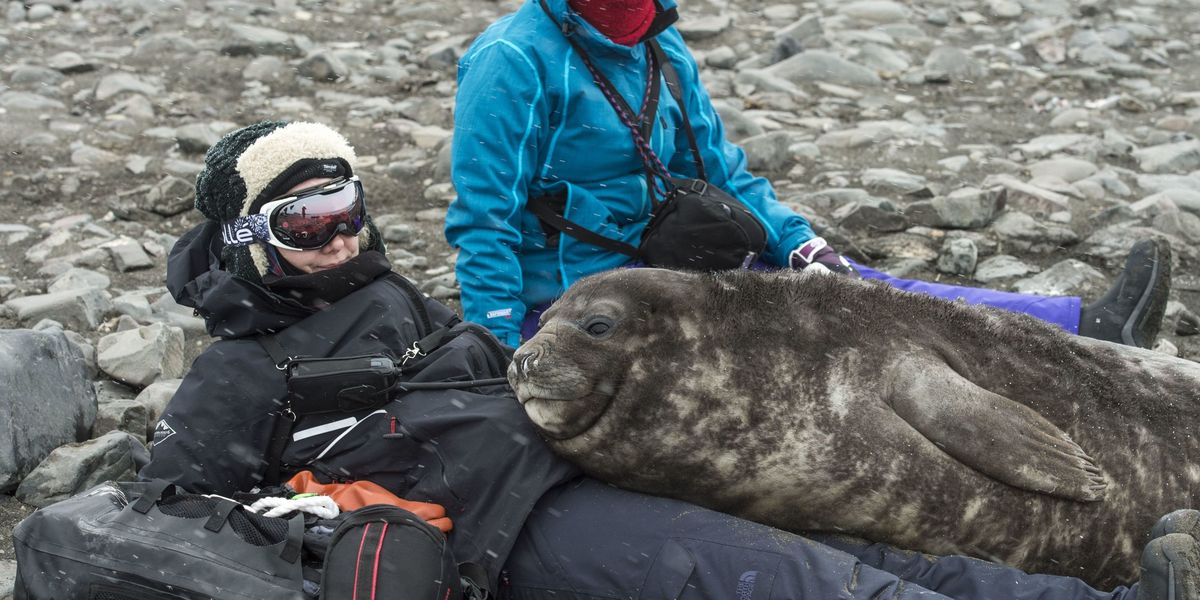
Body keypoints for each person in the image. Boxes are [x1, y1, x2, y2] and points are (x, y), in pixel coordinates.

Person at [141, 121, 1177, 600]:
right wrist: (329, 519)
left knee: (881, 555)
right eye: (306, 218)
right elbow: (176, 515)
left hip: (593, 462)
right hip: (509, 524)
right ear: (246, 233)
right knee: (805, 584)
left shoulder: (384, 296)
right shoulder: (234, 377)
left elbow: (492, 359)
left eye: (349, 210)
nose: (339, 237)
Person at [445, 0, 1172, 351]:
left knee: (861, 292)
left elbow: (722, 171)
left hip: (683, 258)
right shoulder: (513, 60)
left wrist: (799, 244)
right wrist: (498, 344)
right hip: (583, 300)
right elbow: (486, 219)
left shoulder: (659, 42)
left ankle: (1085, 331)